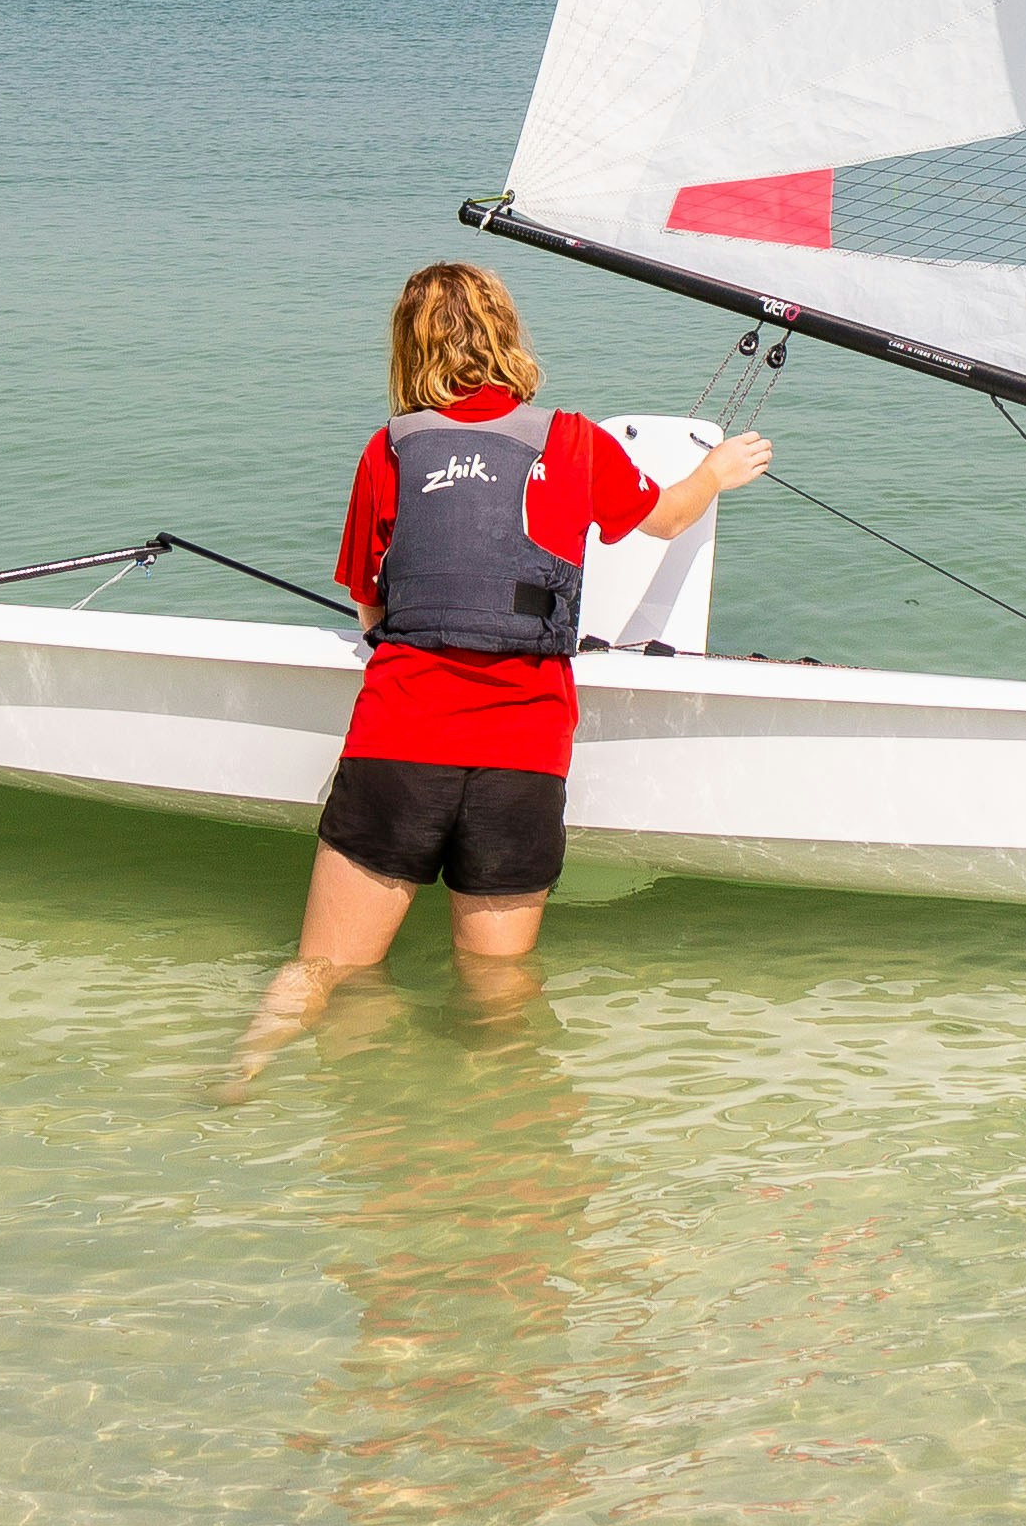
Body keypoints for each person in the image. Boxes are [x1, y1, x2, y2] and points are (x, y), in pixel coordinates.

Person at [233, 259, 770, 1070]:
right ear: (508, 336)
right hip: (522, 754)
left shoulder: (390, 451)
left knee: (325, 970)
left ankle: (244, 1068)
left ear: (408, 350)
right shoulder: (576, 443)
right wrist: (712, 473)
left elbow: (369, 609)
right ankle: (504, 1139)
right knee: (496, 989)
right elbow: (664, 520)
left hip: (400, 740)